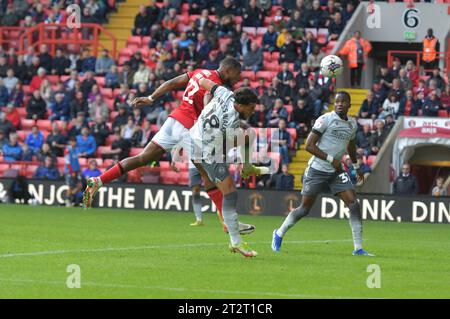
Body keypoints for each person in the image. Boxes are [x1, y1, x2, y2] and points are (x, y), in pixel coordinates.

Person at [83, 58, 256, 235]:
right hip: (189, 126)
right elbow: (208, 102)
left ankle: (98, 181)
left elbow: (173, 82)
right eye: (237, 75)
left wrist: (151, 97)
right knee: (209, 175)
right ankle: (228, 223)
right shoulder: (216, 85)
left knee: (143, 158)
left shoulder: (199, 72)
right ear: (228, 71)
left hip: (174, 120)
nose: (238, 79)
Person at [272, 91, 374, 256]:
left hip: (336, 171)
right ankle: (279, 233)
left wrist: (355, 165)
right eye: (337, 101)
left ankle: (358, 248)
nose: (340, 104)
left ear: (349, 104)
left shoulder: (352, 124)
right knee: (304, 209)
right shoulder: (325, 119)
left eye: (343, 101)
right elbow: (309, 146)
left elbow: (351, 145)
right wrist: (331, 159)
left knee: (354, 204)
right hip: (317, 169)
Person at [186, 78, 260, 257]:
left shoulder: (224, 93)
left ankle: (230, 222)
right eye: (251, 107)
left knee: (209, 183)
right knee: (230, 192)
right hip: (206, 151)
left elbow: (203, 81)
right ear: (242, 106)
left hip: (191, 141)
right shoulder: (230, 123)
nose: (253, 110)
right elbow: (231, 143)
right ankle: (235, 240)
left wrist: (207, 103)